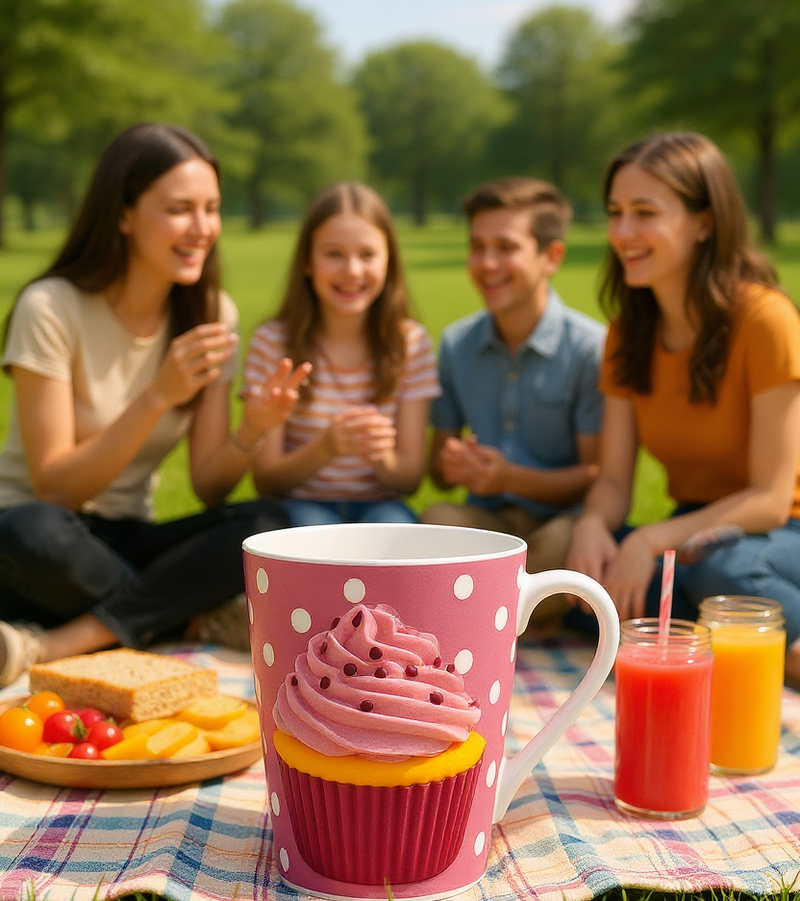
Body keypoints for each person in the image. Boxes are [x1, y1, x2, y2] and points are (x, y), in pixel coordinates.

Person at [0, 123, 308, 686]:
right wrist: (157, 396)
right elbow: (55, 487)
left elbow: (210, 486)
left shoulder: (211, 312)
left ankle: (57, 642)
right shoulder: (50, 307)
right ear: (123, 214)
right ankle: (184, 614)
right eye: (179, 209)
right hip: (38, 541)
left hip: (124, 539)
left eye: (211, 209)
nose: (202, 228)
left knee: (267, 522)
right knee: (32, 532)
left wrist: (252, 431)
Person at [566, 132, 800, 683]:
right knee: (591, 589)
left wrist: (650, 539)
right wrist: (592, 524)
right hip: (693, 528)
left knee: (722, 571)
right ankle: (735, 647)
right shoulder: (627, 333)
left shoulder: (765, 321)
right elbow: (614, 481)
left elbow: (769, 500)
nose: (623, 232)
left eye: (645, 213)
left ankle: (775, 653)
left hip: (782, 528)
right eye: (616, 212)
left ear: (704, 223)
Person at [421, 177, 605, 589]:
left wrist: (510, 479)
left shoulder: (590, 348)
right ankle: (525, 606)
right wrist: (453, 465)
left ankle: (490, 605)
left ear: (551, 257)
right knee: (436, 519)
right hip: (487, 526)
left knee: (566, 545)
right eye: (477, 246)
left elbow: (596, 474)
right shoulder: (457, 344)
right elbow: (438, 474)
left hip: (560, 524)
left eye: (506, 247)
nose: (487, 263)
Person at [245, 182, 440, 524]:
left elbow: (409, 480)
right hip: (300, 505)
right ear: (307, 261)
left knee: (395, 530)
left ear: (389, 262)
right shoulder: (273, 342)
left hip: (380, 504)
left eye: (367, 255)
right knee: (313, 536)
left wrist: (381, 456)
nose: (352, 270)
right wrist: (326, 447)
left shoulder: (410, 343)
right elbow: (267, 481)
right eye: (334, 254)